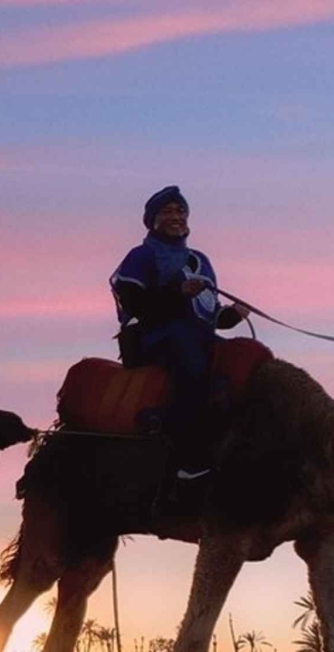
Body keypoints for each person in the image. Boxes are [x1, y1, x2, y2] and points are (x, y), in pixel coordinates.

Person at [109, 186, 251, 479]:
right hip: (159, 338)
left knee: (244, 361)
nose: (176, 217)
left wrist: (234, 314)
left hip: (198, 336)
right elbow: (135, 304)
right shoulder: (141, 256)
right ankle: (189, 458)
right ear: (153, 220)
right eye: (168, 212)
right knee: (193, 367)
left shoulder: (199, 260)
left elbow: (209, 316)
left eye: (180, 211)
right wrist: (177, 292)